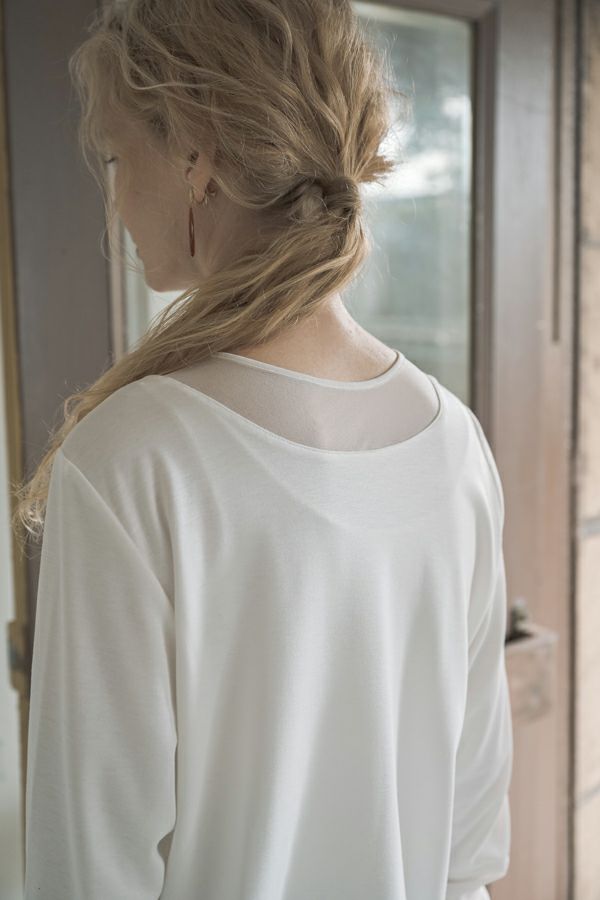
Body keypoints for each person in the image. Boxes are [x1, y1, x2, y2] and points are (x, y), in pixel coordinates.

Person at [15, 1, 513, 898]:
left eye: (119, 158)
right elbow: (469, 854)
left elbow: (87, 870)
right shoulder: (454, 445)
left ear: (195, 153)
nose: (115, 199)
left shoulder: (133, 460)